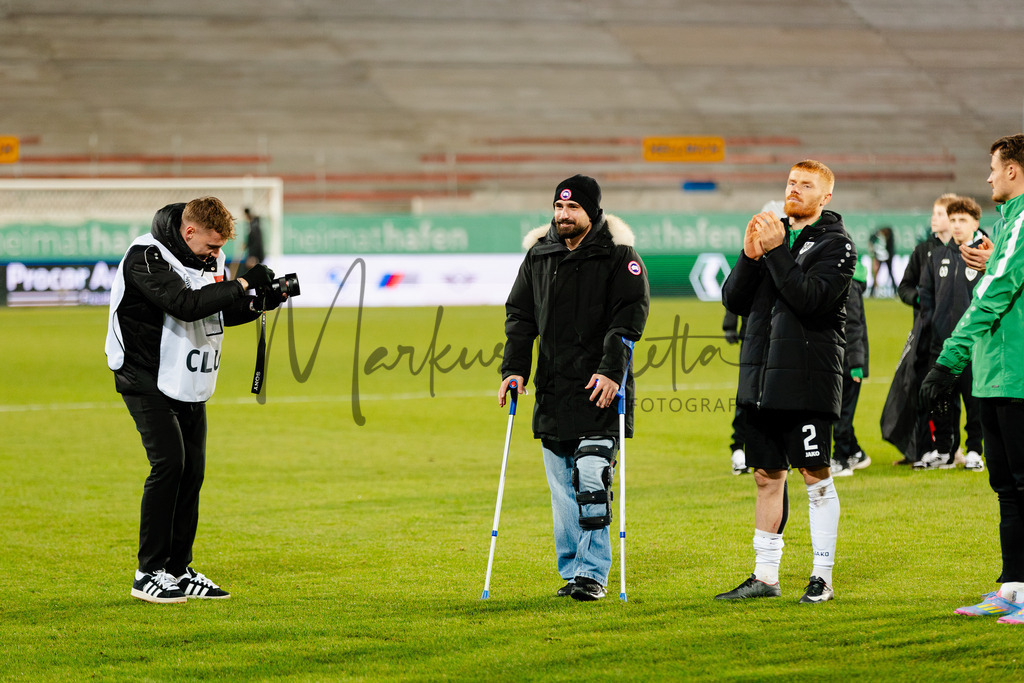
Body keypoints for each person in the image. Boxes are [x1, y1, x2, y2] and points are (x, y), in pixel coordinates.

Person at [105, 197, 286, 604]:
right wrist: (241, 283)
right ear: (189, 232)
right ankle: (148, 571)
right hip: (144, 374)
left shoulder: (203, 259)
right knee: (169, 463)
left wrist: (258, 301)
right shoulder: (146, 256)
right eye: (212, 246)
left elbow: (212, 312)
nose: (217, 255)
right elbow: (184, 305)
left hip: (186, 375)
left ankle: (177, 569)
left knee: (192, 471)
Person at [500, 175, 650, 602]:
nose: (563, 216)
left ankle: (592, 574)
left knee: (590, 478)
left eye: (573, 209)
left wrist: (610, 371)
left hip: (599, 386)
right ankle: (573, 571)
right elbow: (520, 315)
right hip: (552, 388)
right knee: (563, 491)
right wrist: (514, 369)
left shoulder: (620, 256)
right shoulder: (539, 255)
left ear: (592, 212)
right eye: (559, 208)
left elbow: (629, 319)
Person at [718, 160, 854, 604]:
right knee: (765, 476)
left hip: (807, 380)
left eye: (806, 185)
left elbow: (810, 299)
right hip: (760, 379)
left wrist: (775, 252)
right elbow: (734, 301)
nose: (794, 190)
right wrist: (748, 256)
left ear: (825, 196)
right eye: (791, 182)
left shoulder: (837, 244)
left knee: (815, 476)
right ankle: (765, 576)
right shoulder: (772, 233)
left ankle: (822, 576)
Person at [921, 134, 1024, 624]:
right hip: (995, 373)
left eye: (992, 168)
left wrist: (948, 359)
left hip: (1018, 374)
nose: (987, 177)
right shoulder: (1007, 223)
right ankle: (1013, 586)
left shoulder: (1023, 218)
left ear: (1013, 170)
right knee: (1006, 487)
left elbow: (997, 294)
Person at [886, 194, 958, 466]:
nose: (933, 218)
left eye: (939, 213)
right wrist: (919, 299)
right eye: (934, 213)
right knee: (919, 389)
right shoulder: (922, 250)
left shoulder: (963, 248)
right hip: (924, 332)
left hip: (952, 333)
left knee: (953, 394)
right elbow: (904, 287)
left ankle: (954, 448)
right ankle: (920, 449)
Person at [916, 196, 985, 471]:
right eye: (953, 220)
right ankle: (944, 450)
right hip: (942, 343)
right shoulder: (938, 255)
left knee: (973, 399)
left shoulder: (984, 254)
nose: (956, 226)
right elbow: (926, 295)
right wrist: (933, 326)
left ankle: (975, 450)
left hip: (973, 344)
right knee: (941, 399)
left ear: (975, 223)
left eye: (962, 220)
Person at [830, 259, 870, 476]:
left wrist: (856, 365)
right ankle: (856, 453)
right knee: (839, 412)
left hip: (848, 363)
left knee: (841, 414)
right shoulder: (843, 281)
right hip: (838, 359)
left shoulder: (849, 286)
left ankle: (841, 459)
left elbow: (854, 326)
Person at [723, 310, 751, 475]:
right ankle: (739, 449)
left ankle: (779, 451)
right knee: (747, 392)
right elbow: (736, 288)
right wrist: (730, 325)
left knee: (777, 392)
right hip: (752, 335)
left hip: (783, 334)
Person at [233, 207, 266, 277]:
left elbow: (257, 242)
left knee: (248, 272)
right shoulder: (253, 224)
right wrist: (246, 245)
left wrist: (253, 256)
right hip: (256, 254)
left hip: (256, 255)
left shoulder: (254, 226)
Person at [868, 226, 896, 297]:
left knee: (889, 274)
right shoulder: (878, 236)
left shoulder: (887, 238)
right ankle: (872, 292)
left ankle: (895, 291)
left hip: (885, 257)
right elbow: (871, 242)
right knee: (877, 275)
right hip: (880, 257)